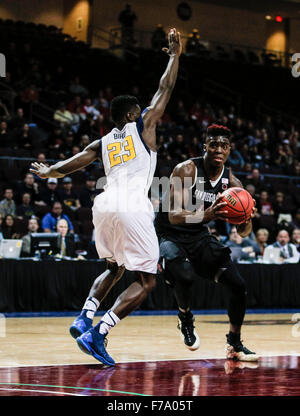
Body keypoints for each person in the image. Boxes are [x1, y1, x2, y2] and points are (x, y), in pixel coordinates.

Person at [30, 28, 182, 366]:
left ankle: (84, 316)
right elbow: (165, 89)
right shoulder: (143, 126)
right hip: (132, 205)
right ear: (132, 114)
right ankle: (99, 332)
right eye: (141, 109)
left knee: (113, 268)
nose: (147, 111)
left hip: (105, 205)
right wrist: (174, 56)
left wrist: (48, 171)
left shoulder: (103, 142)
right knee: (146, 280)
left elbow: (70, 166)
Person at [154, 123, 259, 361]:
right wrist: (208, 215)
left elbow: (243, 232)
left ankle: (234, 344)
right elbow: (173, 215)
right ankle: (185, 317)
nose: (219, 149)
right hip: (169, 233)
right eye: (214, 145)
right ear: (205, 147)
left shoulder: (232, 183)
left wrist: (247, 217)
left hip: (197, 234)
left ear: (229, 150)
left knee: (237, 285)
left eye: (224, 145)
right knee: (184, 276)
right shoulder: (186, 170)